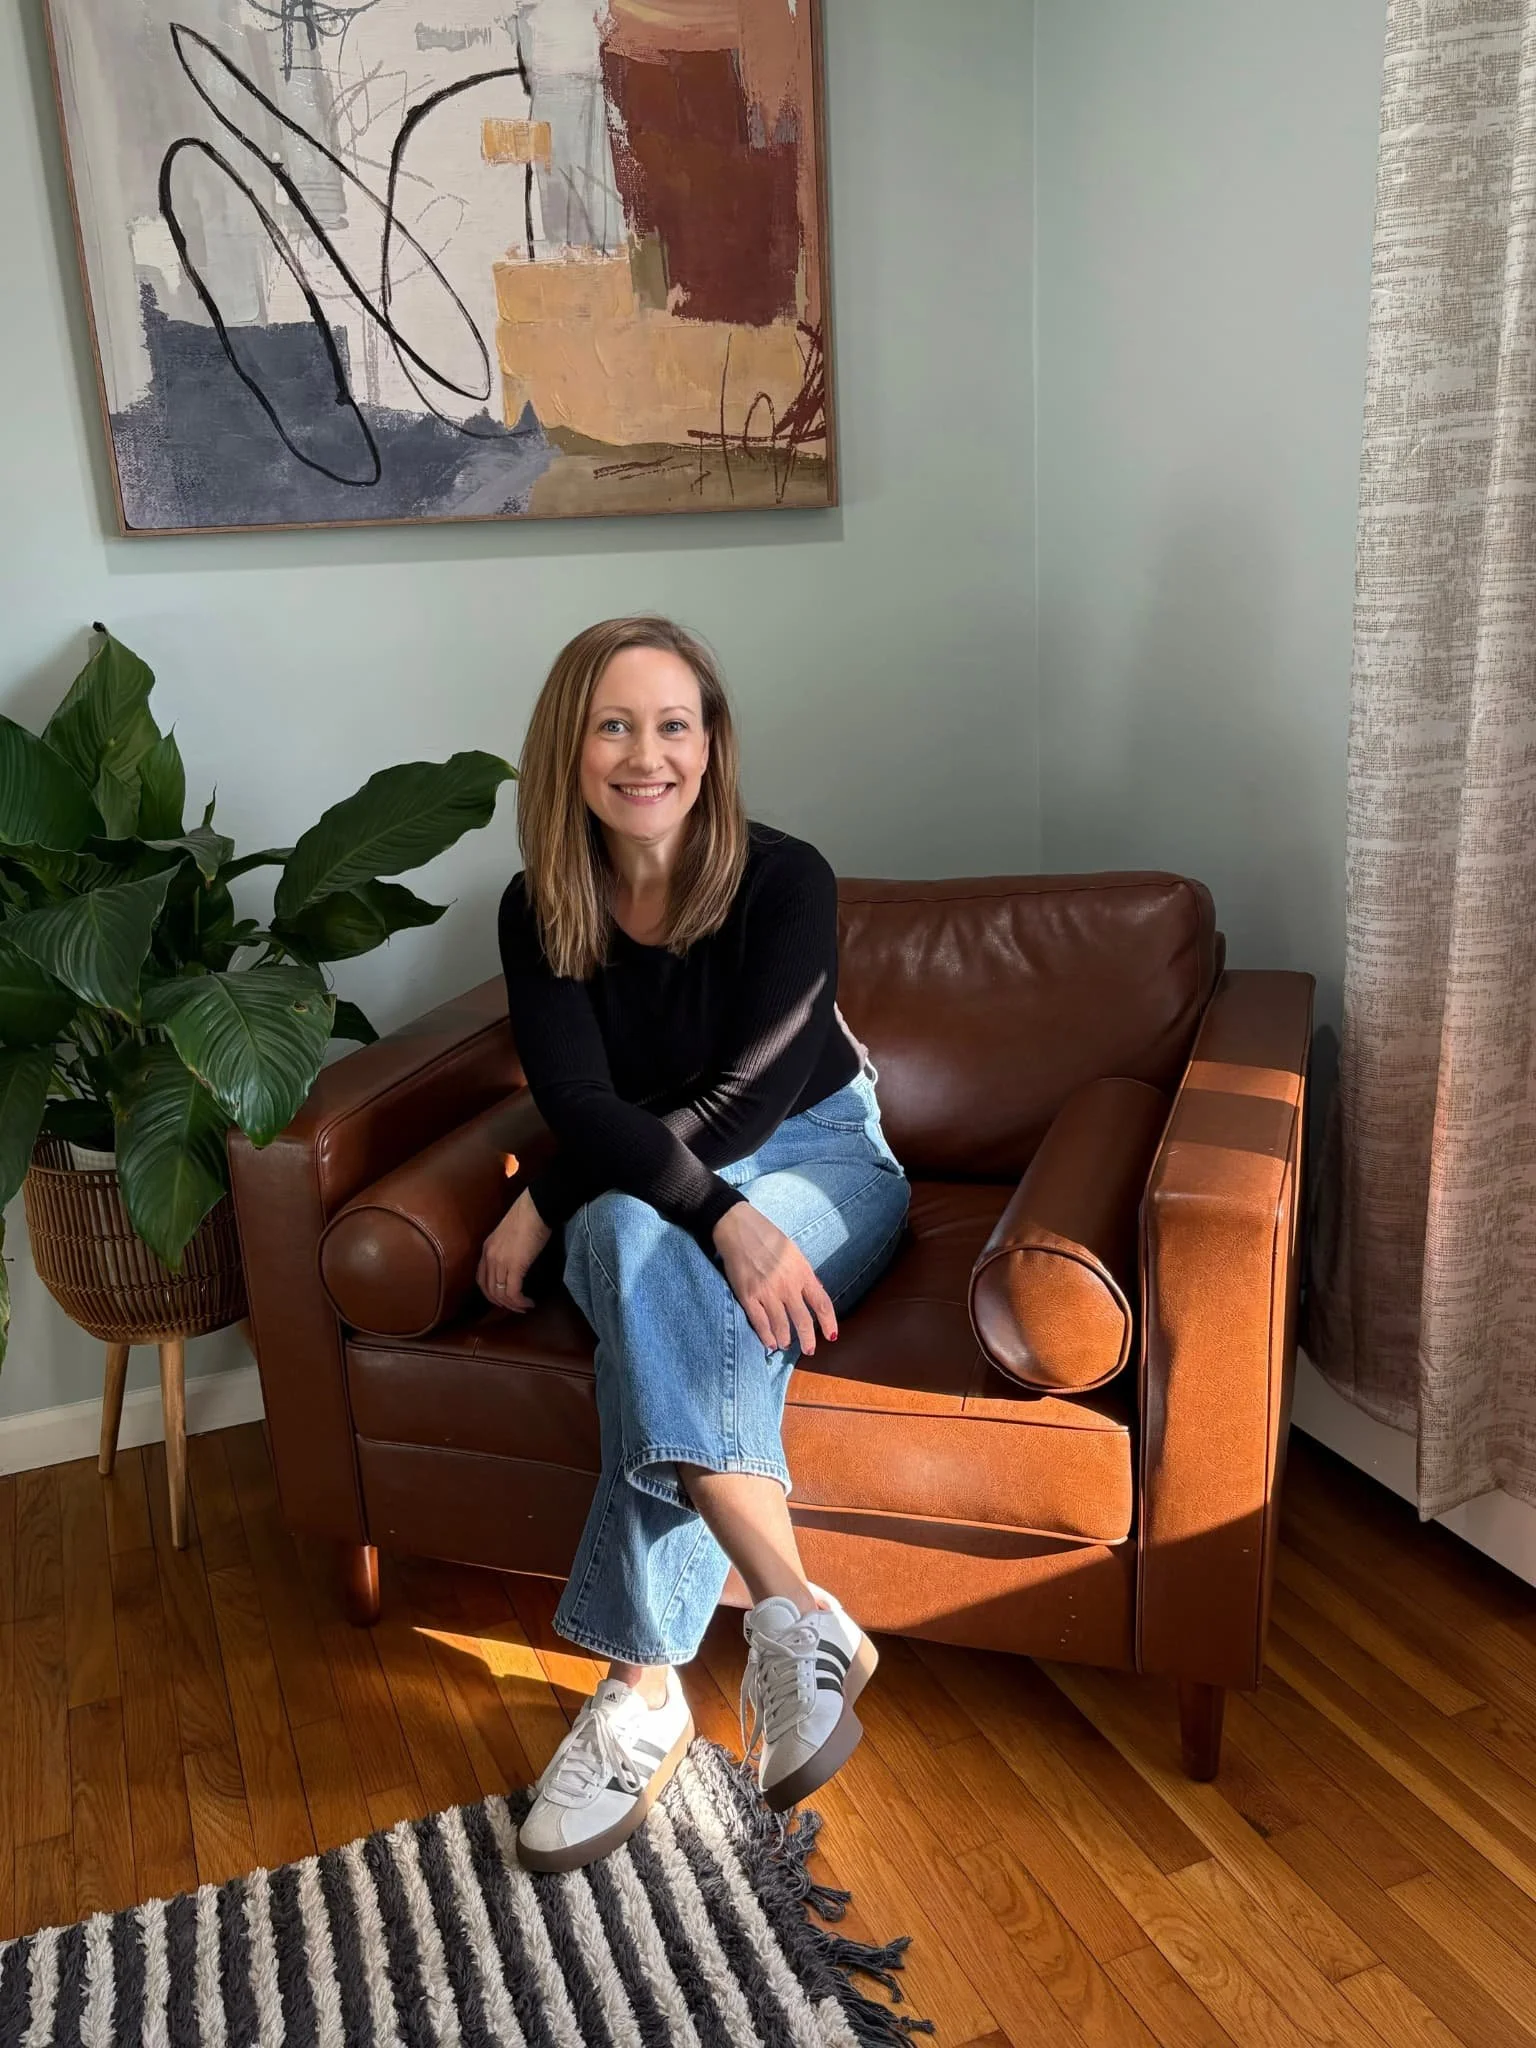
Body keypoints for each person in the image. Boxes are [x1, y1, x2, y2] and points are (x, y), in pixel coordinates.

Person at [480, 615, 910, 1873]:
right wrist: (605, 1187)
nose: (644, 753)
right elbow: (578, 1101)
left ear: (712, 747)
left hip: (821, 1149)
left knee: (619, 1242)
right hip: (674, 1179)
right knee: (626, 1236)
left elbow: (750, 1103)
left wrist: (561, 1190)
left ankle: (638, 1691)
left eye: (674, 724)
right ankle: (793, 1612)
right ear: (569, 748)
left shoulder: (789, 880)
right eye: (614, 724)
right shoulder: (539, 905)